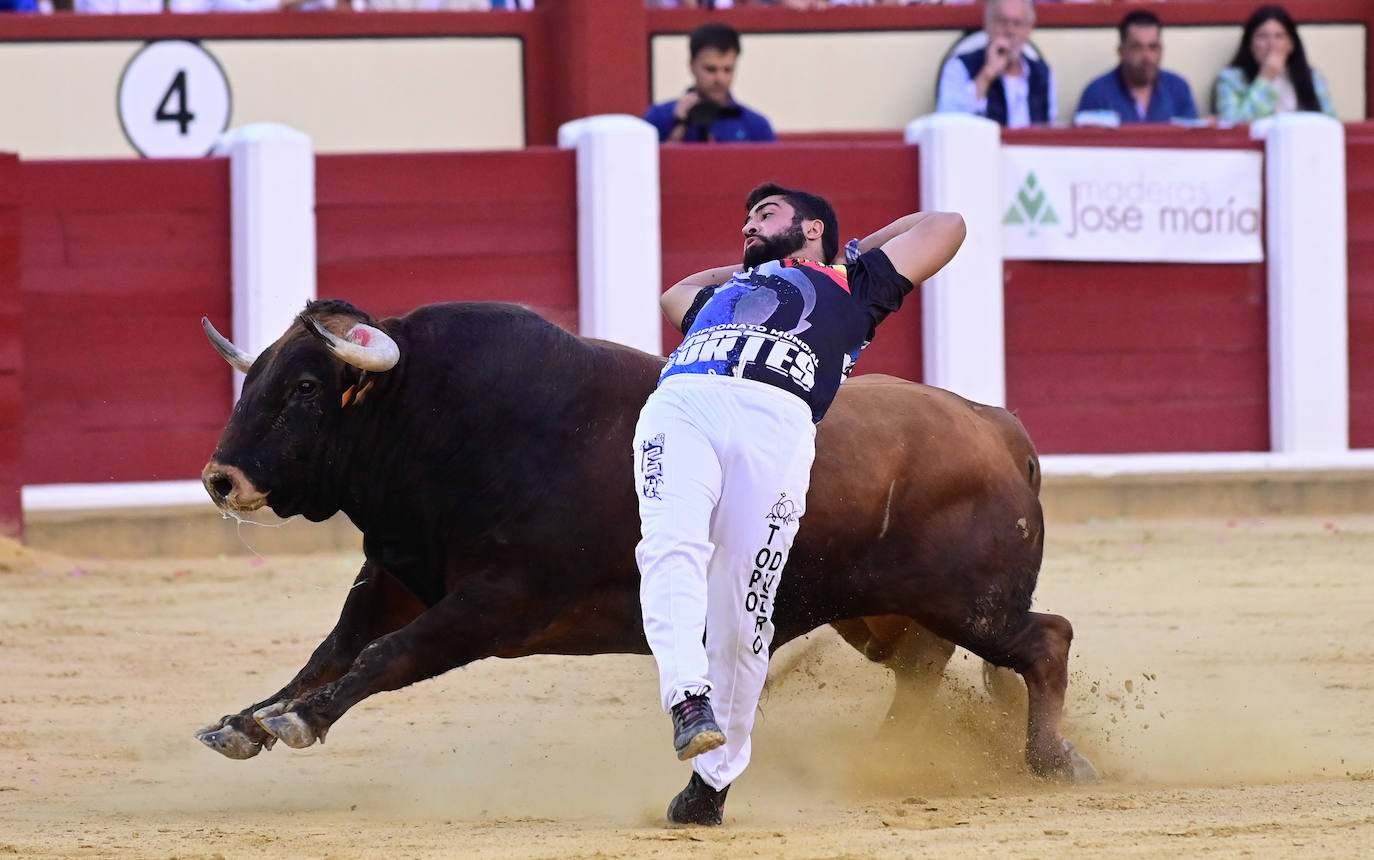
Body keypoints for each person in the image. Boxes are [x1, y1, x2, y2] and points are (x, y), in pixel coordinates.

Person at [632, 184, 965, 826]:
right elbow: (675, 294)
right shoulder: (727, 293)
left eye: (766, 214)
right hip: (684, 404)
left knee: (745, 600)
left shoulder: (858, 283)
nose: (749, 225)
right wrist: (760, 264)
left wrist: (852, 250)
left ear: (814, 228)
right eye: (747, 218)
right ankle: (687, 700)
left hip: (777, 419)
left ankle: (712, 781)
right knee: (669, 547)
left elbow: (946, 224)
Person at [643, 22, 776, 143]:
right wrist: (678, 127)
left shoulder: (756, 126)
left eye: (728, 69)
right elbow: (647, 167)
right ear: (692, 65)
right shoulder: (659, 117)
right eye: (711, 69)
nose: (720, 78)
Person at [936, 0, 1056, 128]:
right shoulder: (958, 67)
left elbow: (1050, 129)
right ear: (988, 25)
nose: (1010, 30)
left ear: (1028, 29)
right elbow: (948, 123)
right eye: (1002, 22)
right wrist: (987, 75)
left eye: (1017, 23)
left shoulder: (1043, 73)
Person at [1213, 4, 1335, 123]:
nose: (1271, 44)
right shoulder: (1231, 79)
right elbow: (1232, 124)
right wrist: (1265, 78)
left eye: (1279, 36)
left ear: (1291, 44)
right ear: (1250, 44)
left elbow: (1331, 123)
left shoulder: (1313, 77)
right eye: (1262, 36)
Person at [1076, 10, 1198, 124]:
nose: (1146, 57)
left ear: (1161, 51)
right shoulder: (1097, 93)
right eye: (1137, 47)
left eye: (1153, 47)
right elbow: (1084, 144)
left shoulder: (1178, 89)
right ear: (1121, 51)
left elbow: (1193, 141)